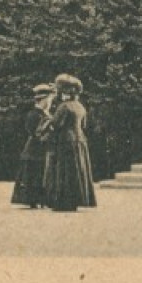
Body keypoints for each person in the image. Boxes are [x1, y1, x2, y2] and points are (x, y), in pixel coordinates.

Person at [42, 74, 97, 212]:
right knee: (78, 169)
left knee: (65, 170)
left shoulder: (64, 107)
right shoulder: (80, 107)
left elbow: (56, 124)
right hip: (80, 140)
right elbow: (84, 125)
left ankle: (64, 201)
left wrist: (47, 122)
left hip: (66, 140)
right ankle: (79, 199)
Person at [10, 83, 56, 208]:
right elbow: (34, 132)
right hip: (34, 149)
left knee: (41, 173)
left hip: (42, 148)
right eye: (50, 99)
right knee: (34, 173)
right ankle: (33, 200)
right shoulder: (34, 114)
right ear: (43, 100)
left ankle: (41, 200)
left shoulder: (46, 114)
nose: (51, 102)